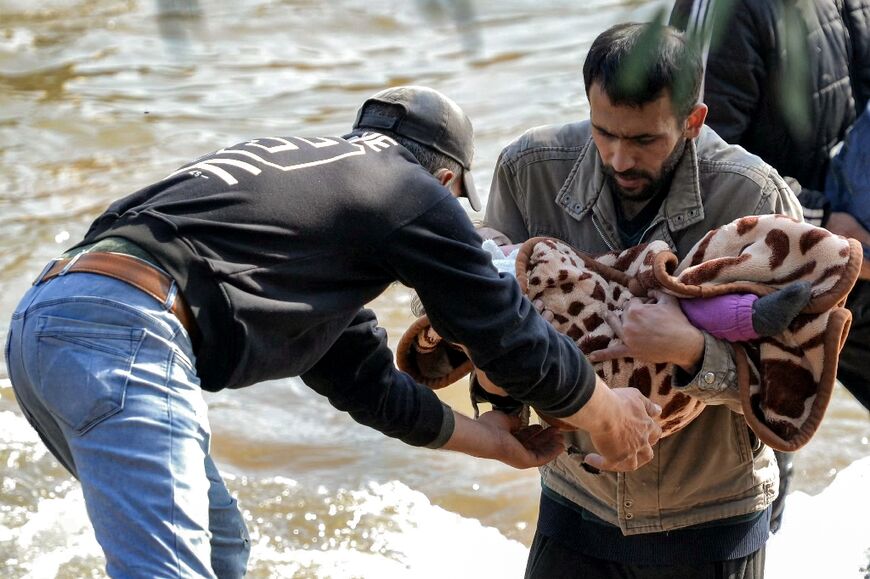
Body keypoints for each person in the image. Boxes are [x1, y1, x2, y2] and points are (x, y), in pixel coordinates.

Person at [3, 86, 663, 578]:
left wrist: (489, 441)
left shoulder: (310, 182)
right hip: (127, 332)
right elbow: (504, 330)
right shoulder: (408, 190)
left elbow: (361, 378)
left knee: (220, 546)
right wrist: (609, 415)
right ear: (445, 181)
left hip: (44, 321)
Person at [483, 23, 802, 578]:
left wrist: (693, 353)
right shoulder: (527, 170)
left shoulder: (754, 195)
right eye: (603, 132)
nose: (619, 158)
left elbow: (795, 383)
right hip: (574, 501)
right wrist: (496, 400)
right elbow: (482, 312)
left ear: (693, 121)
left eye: (644, 141)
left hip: (714, 518)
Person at [670, 0, 870, 535]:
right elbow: (693, 165)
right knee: (755, 476)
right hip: (752, 274)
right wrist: (827, 224)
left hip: (844, 256)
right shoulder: (725, 12)